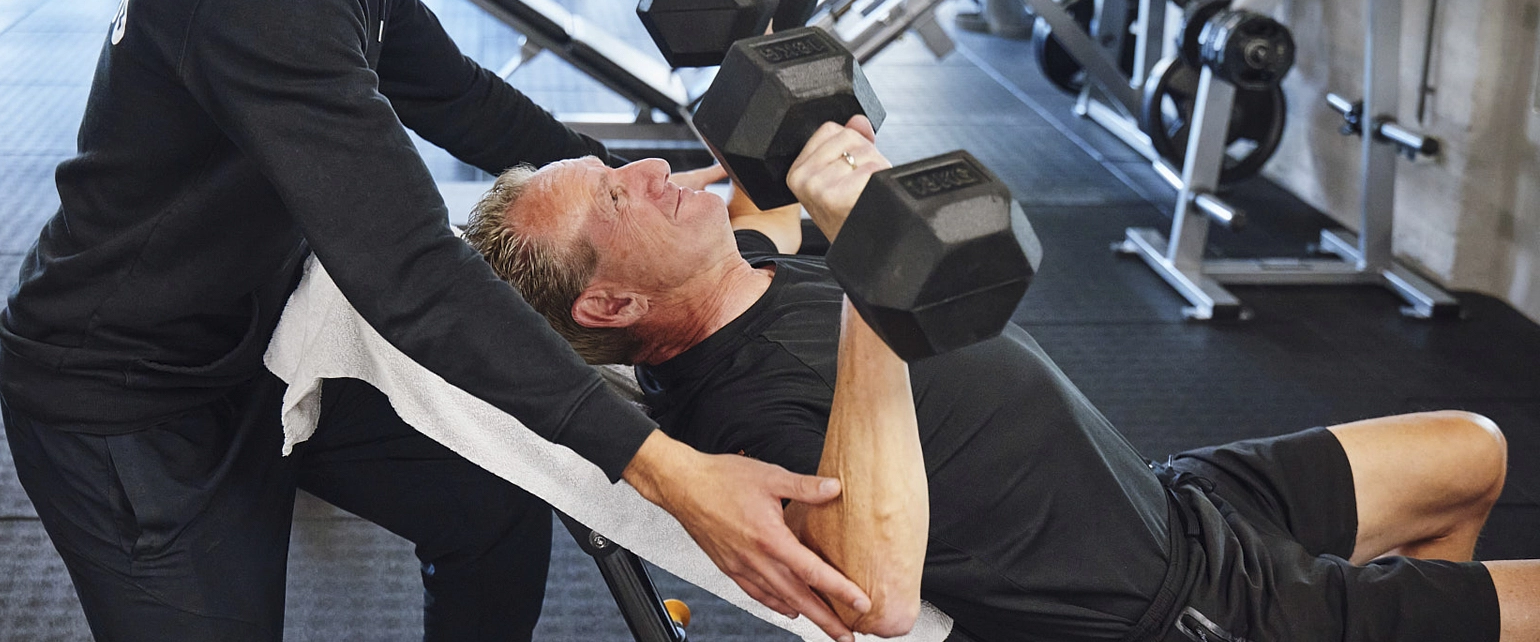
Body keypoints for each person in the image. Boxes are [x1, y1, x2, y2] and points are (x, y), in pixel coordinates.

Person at [0, 0, 872, 642]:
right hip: (125, 399)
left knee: (491, 506)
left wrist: (662, 189)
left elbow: (455, 95)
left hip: (248, 345)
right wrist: (669, 471)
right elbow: (409, 268)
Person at [464, 119, 1540, 642]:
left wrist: (794, 121)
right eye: (614, 201)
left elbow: (787, 169)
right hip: (1174, 608)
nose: (646, 173)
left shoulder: (744, 258)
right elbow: (873, 599)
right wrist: (878, 278)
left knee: (1471, 451)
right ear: (610, 308)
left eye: (613, 166)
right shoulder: (747, 419)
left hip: (1172, 500)